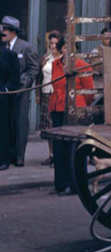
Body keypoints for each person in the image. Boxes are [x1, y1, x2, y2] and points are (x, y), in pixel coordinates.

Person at [48, 36, 94, 195]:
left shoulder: (82, 65)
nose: (69, 51)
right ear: (61, 49)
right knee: (59, 148)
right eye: (66, 47)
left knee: (73, 149)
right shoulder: (55, 64)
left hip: (76, 110)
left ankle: (74, 184)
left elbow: (89, 92)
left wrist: (82, 107)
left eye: (72, 47)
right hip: (58, 108)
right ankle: (60, 183)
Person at [0, 15, 40, 167]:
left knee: (20, 122)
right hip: (6, 91)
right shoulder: (4, 48)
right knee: (7, 123)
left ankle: (19, 156)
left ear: (12, 32)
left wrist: (23, 84)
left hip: (21, 91)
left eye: (5, 30)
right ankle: (7, 154)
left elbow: (34, 68)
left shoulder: (26, 47)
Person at [39, 31, 62, 166]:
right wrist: (38, 95)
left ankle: (58, 155)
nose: (53, 46)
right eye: (51, 43)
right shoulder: (46, 58)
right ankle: (51, 154)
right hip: (45, 93)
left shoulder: (62, 58)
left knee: (55, 125)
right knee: (47, 126)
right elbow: (39, 76)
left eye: (55, 43)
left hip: (56, 94)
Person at [0, 45, 20, 171]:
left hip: (3, 98)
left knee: (3, 128)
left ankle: (3, 159)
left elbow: (14, 77)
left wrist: (6, 89)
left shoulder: (9, 55)